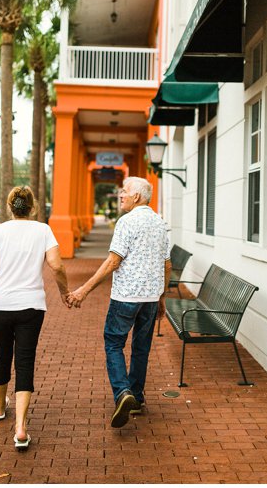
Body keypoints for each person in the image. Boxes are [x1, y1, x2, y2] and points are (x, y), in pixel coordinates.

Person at [0, 186, 71, 451]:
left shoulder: (0, 231)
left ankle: (1, 406)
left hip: (1, 306)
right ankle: (20, 428)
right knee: (25, 361)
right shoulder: (43, 230)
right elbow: (57, 266)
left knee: (2, 354)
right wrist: (65, 293)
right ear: (33, 207)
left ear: (9, 207)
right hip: (31, 307)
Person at [68, 176, 171, 428]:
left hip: (126, 297)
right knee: (141, 347)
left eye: (124, 192)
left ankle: (123, 392)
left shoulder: (127, 222)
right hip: (150, 298)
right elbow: (167, 264)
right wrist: (162, 297)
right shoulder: (160, 223)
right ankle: (137, 396)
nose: (120, 196)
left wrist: (84, 289)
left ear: (136, 197)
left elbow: (113, 261)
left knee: (113, 343)